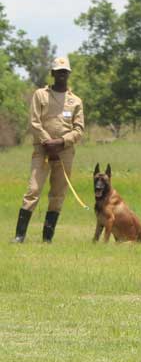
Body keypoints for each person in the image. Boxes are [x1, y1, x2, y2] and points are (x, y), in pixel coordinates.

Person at [13, 57, 85, 243]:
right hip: (42, 150)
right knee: (33, 189)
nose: (61, 75)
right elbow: (34, 122)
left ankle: (47, 239)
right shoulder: (41, 95)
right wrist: (48, 143)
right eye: (58, 71)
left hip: (65, 152)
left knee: (58, 193)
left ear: (68, 74)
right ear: (52, 74)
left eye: (64, 72)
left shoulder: (75, 101)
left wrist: (61, 142)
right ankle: (20, 236)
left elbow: (79, 130)